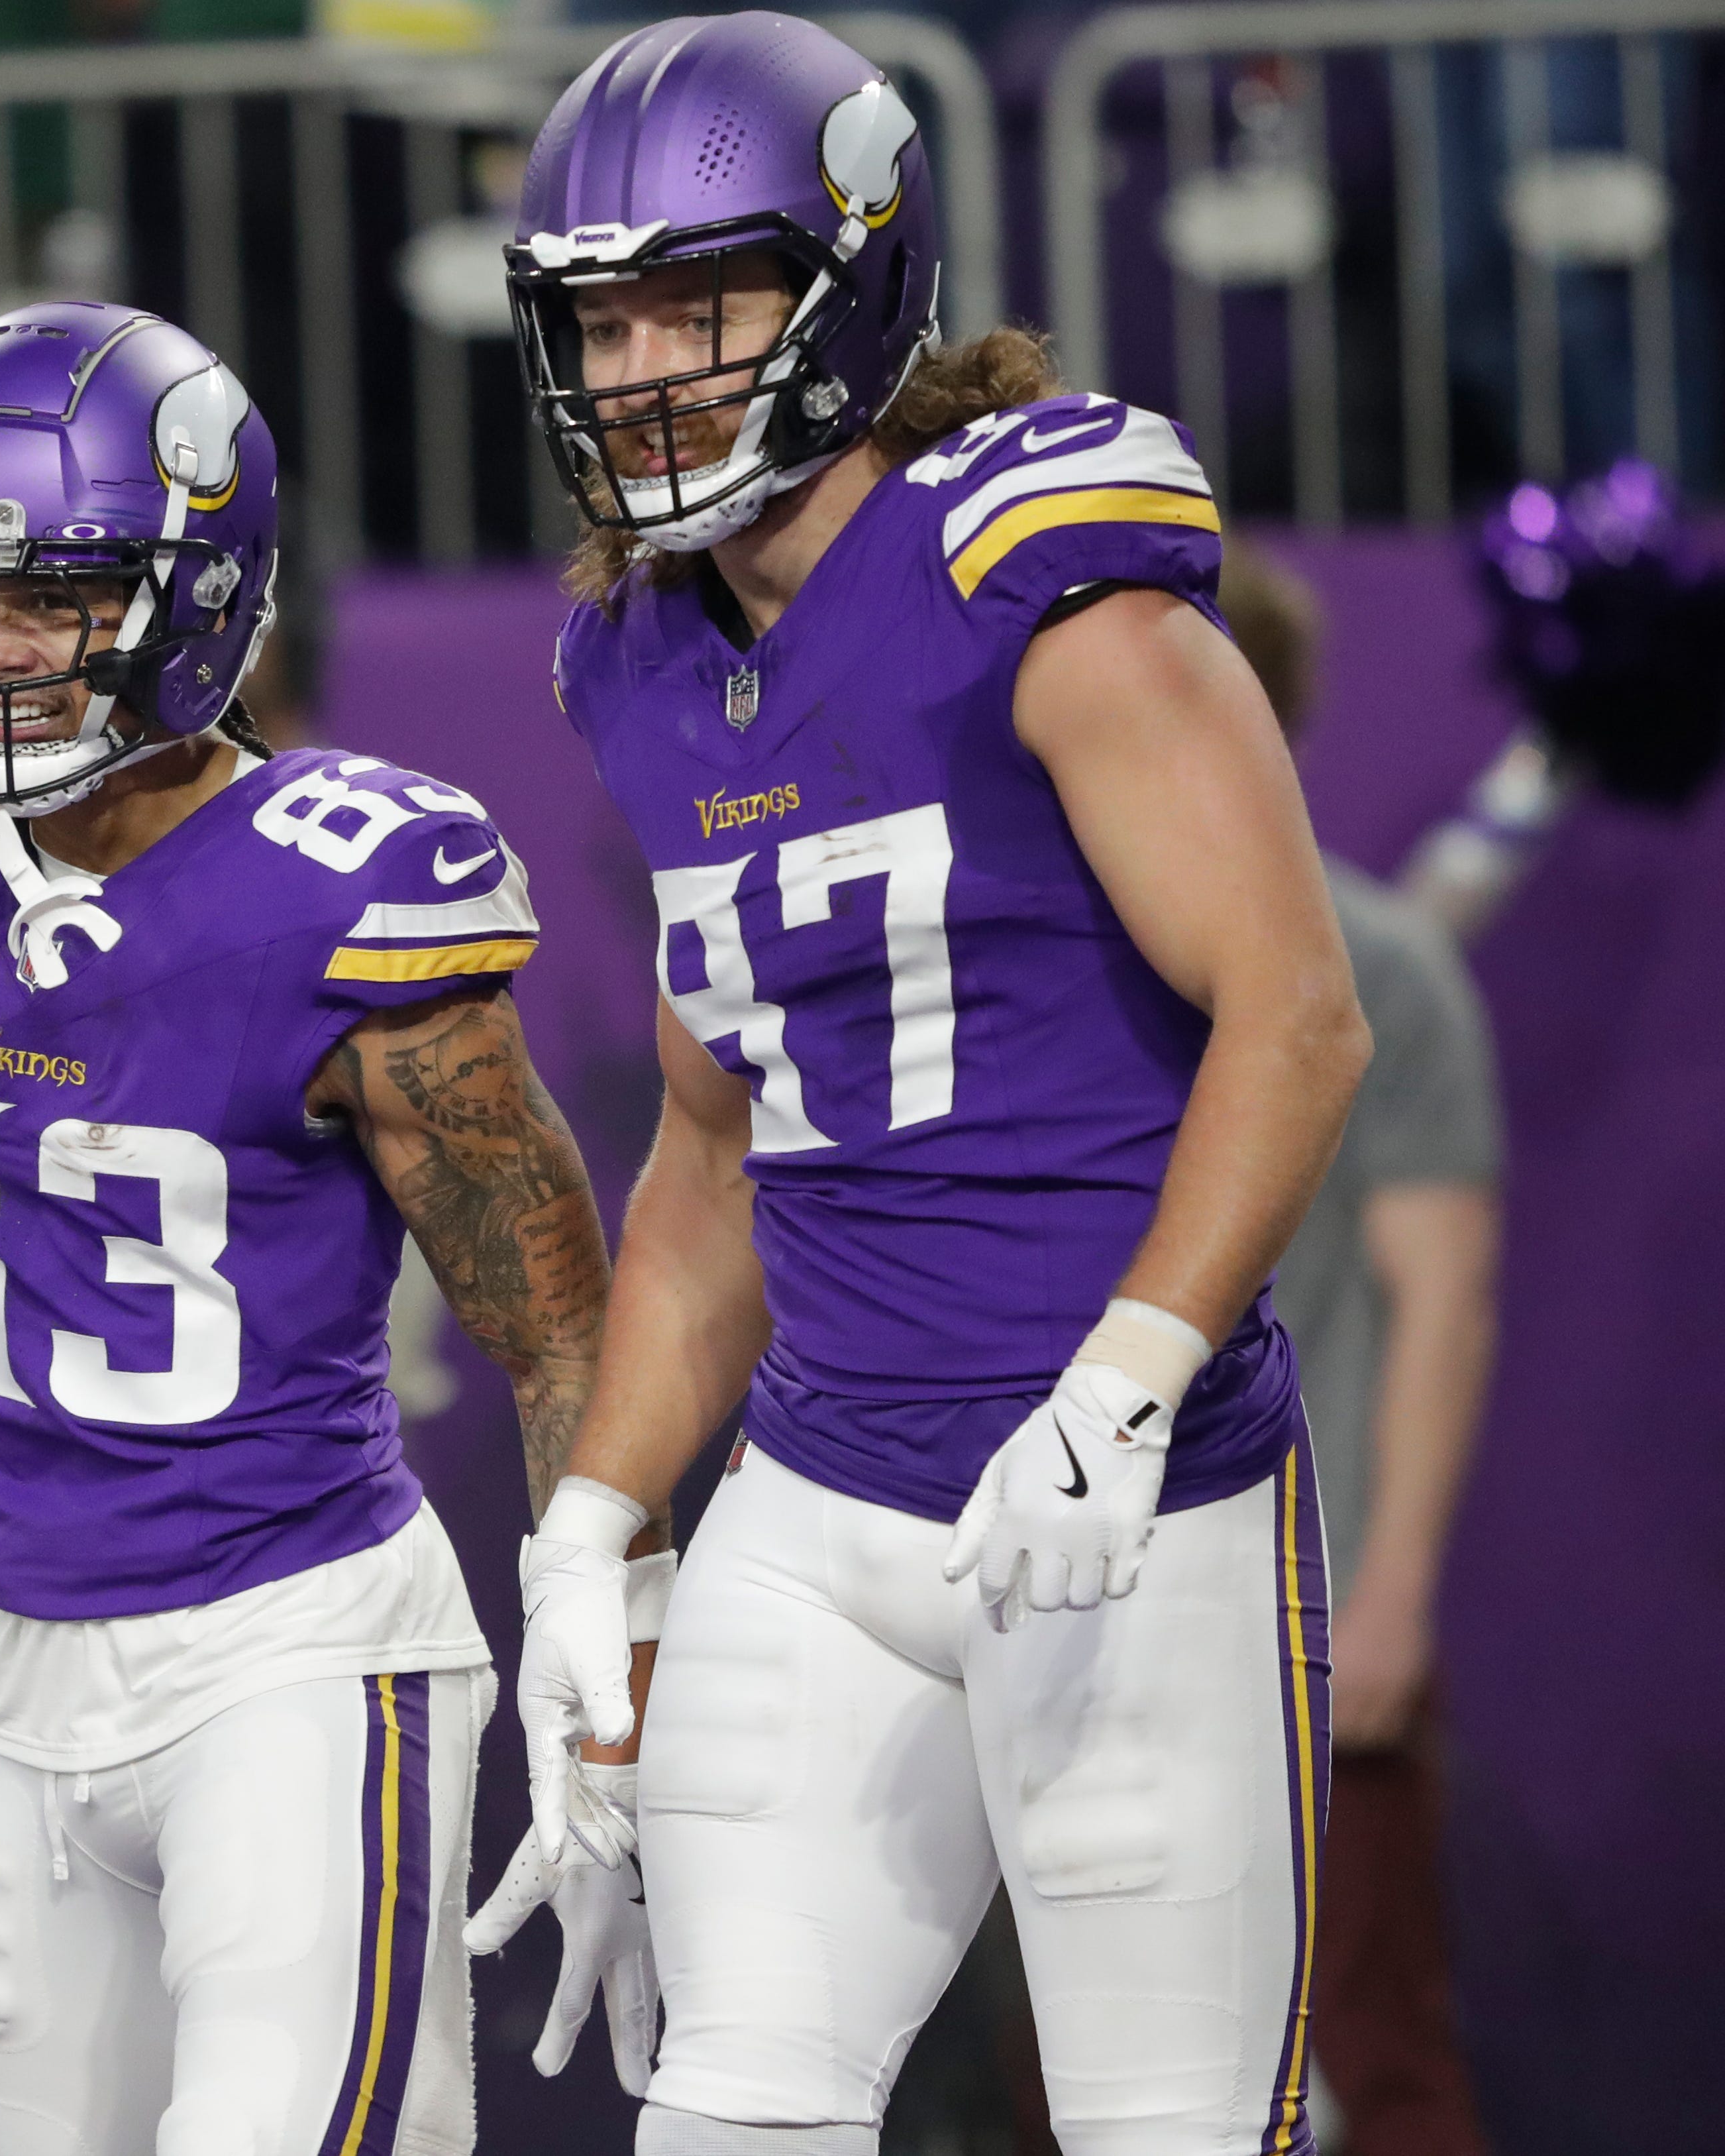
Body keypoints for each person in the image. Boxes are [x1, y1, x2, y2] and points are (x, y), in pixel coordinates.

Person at [488, 17, 1371, 2156]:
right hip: (813, 1506)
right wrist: (591, 1524)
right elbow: (714, 1135)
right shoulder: (631, 648)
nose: (639, 375)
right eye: (597, 325)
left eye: (696, 306)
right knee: (726, 2115)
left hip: (1116, 1519)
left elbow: (1293, 1010)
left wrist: (1122, 1386)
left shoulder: (1026, 576)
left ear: (844, 285)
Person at [0, 301, 621, 2153]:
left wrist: (615, 1634)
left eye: (57, 596)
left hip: (287, 1657)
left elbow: (559, 1315)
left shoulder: (344, 887)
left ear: (193, 596)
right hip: (20, 1673)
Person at [1220, 543, 1498, 2156]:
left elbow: (1441, 1296)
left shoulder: (1382, 962)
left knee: (1374, 2041)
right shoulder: (1042, 968)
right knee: (1086, 2066)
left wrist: (1386, 1590)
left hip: (1302, 1597)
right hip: (1071, 1607)